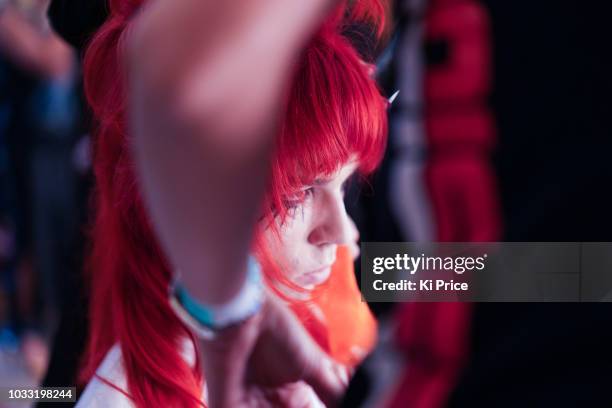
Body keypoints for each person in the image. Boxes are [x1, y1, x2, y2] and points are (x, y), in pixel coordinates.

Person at [76, 0, 389, 406]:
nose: (344, 233)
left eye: (345, 187)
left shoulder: (330, 301)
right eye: (294, 197)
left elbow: (476, 274)